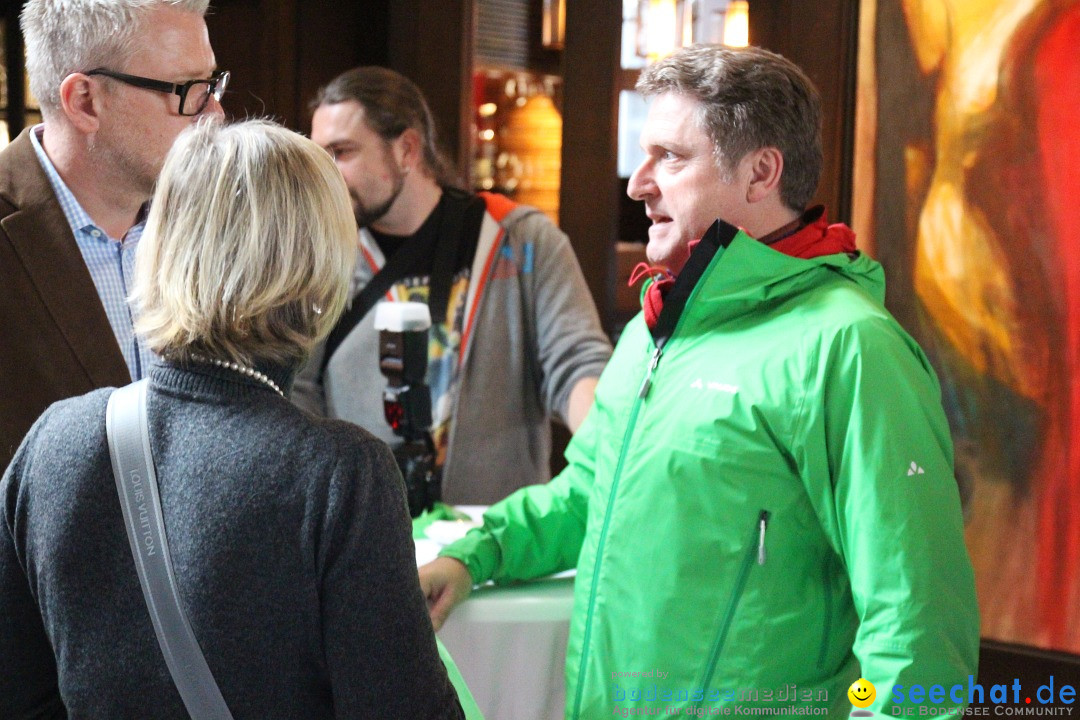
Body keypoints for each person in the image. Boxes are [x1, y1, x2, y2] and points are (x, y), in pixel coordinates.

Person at [420, 45, 979, 718]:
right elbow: (591, 495)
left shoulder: (850, 348)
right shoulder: (653, 331)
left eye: (671, 157)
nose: (638, 183)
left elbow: (916, 622)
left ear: (760, 173)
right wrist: (475, 555)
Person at [0, 118, 465, 719]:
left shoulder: (53, 441)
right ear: (316, 267)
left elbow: (16, 694)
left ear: (161, 244)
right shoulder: (339, 473)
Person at [292, 67, 612, 505]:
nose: (326, 175)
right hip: (363, 538)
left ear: (406, 149)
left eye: (341, 153)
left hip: (492, 543)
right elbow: (298, 391)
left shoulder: (520, 240)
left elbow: (578, 365)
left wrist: (613, 458)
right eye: (318, 157)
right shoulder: (318, 255)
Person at [0, 0, 228, 471]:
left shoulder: (216, 224)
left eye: (213, 84)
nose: (216, 113)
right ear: (85, 101)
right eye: (188, 89)